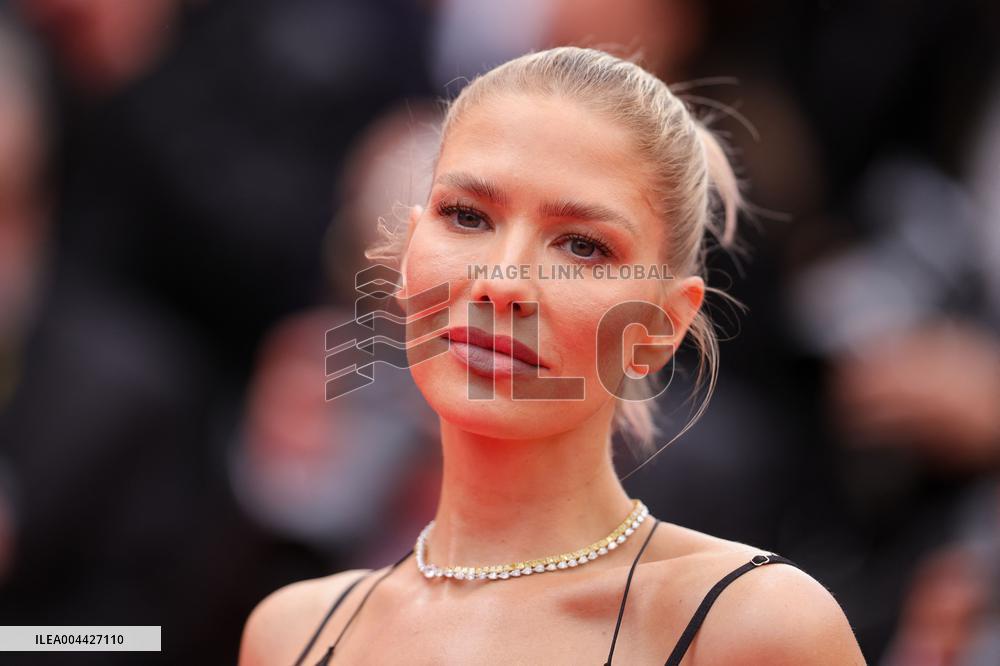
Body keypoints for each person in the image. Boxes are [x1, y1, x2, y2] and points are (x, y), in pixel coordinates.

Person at [238, 46, 865, 665]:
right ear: (405, 259)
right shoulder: (290, 632)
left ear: (663, 325)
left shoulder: (753, 626)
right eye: (466, 216)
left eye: (583, 246)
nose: (502, 280)